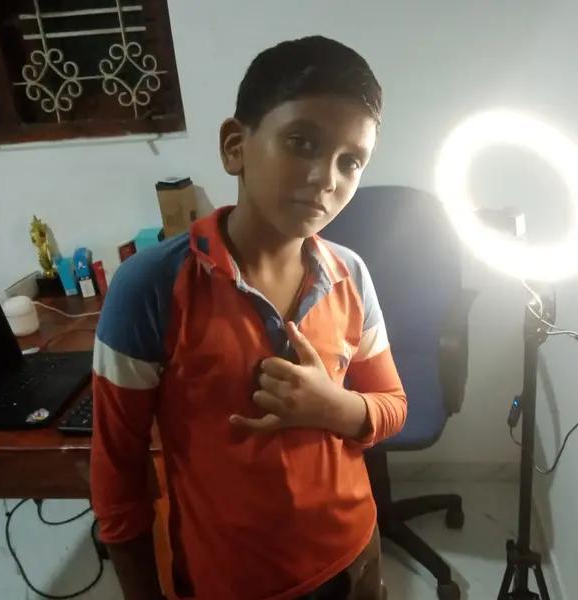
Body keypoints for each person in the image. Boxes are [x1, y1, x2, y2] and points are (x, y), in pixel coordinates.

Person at [90, 35, 407, 600]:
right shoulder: (151, 288)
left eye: (351, 161)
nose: (327, 178)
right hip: (233, 580)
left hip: (355, 554)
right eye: (302, 141)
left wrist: (334, 406)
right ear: (235, 146)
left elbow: (392, 407)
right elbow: (117, 476)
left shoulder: (350, 274)